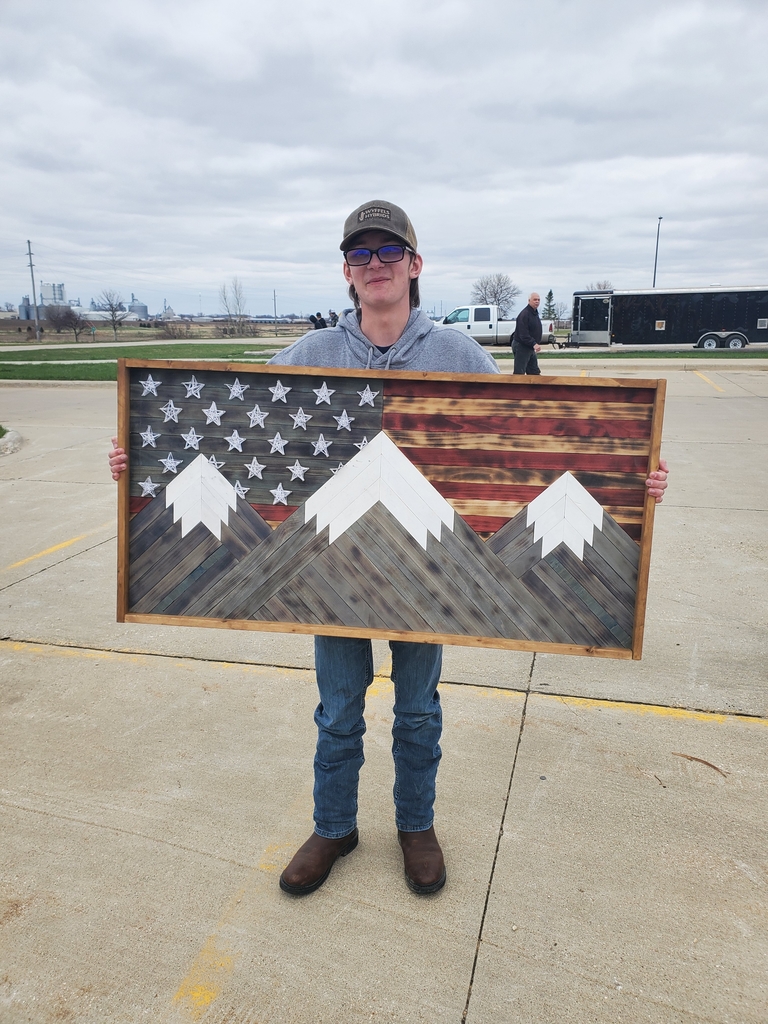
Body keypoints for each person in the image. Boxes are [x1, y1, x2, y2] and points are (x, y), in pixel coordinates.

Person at [108, 200, 669, 899]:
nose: (374, 266)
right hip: (331, 568)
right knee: (339, 711)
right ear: (347, 271)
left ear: (414, 265)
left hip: (430, 573)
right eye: (359, 255)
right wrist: (142, 460)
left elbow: (525, 451)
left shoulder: (458, 354)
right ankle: (334, 826)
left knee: (418, 712)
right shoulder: (309, 355)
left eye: (387, 252)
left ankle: (415, 826)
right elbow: (219, 430)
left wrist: (630, 482)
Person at [513, 292, 542, 375]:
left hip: (530, 347)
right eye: (535, 300)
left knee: (534, 372)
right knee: (519, 372)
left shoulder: (534, 313)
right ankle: (516, 387)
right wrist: (534, 343)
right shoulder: (524, 314)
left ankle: (535, 388)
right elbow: (523, 335)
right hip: (521, 346)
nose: (537, 301)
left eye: (538, 300)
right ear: (529, 301)